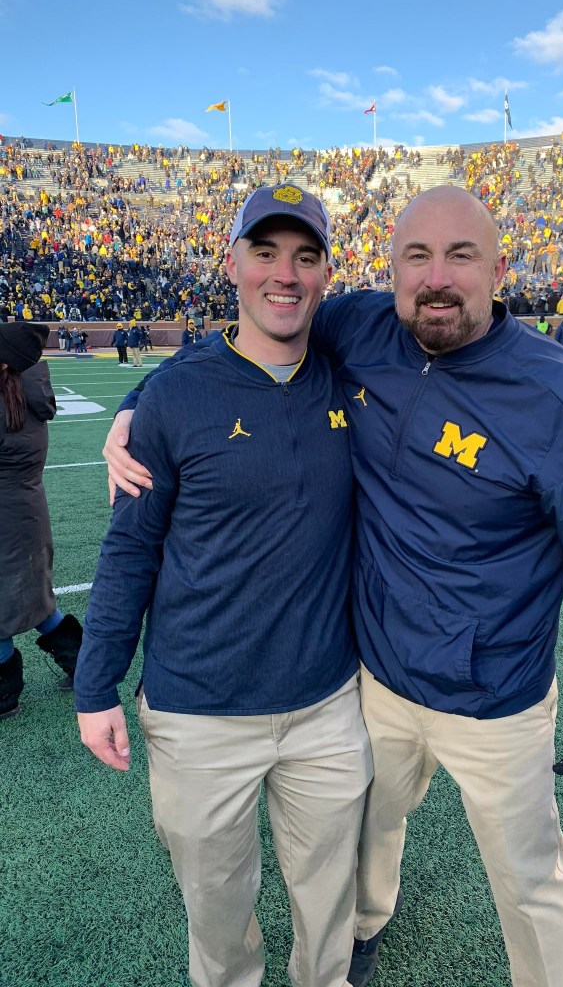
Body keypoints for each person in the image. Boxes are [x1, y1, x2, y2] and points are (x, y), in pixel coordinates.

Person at [104, 186, 563, 987]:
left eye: (461, 256)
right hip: (375, 680)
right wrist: (135, 408)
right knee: (366, 828)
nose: (437, 277)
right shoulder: (365, 325)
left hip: (494, 699)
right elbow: (235, 351)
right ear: (390, 268)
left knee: (532, 881)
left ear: (501, 269)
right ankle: (365, 927)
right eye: (417, 256)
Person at [75, 185, 372, 987]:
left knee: (329, 906)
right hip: (198, 713)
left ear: (325, 273)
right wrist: (94, 685)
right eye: (267, 252)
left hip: (327, 706)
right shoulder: (174, 392)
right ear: (232, 261)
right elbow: (129, 551)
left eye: (305, 257)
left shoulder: (351, 374)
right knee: (216, 917)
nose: (286, 274)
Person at [0, 322, 83, 719]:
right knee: (35, 601)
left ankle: (4, 697)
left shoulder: (10, 405)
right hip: (25, 515)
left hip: (9, 520)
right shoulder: (26, 395)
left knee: (5, 611)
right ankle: (84, 663)